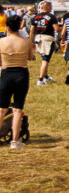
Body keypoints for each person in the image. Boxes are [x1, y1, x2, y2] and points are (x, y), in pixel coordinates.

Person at [1, 14, 34, 149]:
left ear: (7, 28)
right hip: (21, 74)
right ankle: (15, 141)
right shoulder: (26, 42)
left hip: (6, 74)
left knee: (2, 109)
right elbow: (31, 57)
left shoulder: (1, 42)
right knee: (18, 109)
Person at [30, 0, 58, 85]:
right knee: (45, 60)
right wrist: (63, 28)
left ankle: (46, 76)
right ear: (48, 7)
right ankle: (40, 79)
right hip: (47, 38)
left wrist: (31, 42)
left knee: (45, 58)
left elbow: (31, 30)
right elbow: (56, 29)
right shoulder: (52, 16)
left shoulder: (36, 17)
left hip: (38, 38)